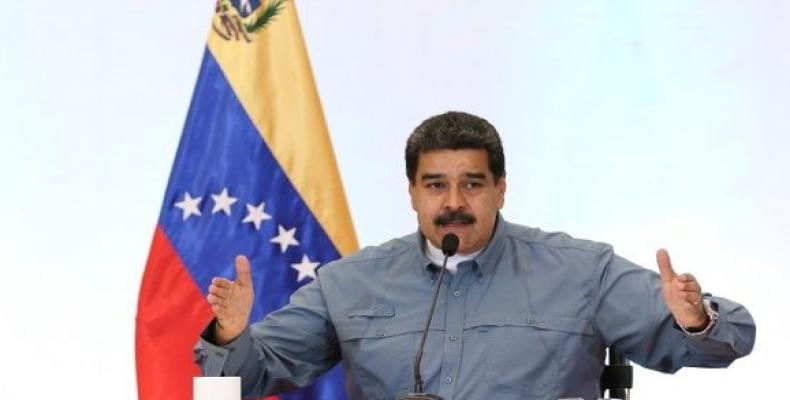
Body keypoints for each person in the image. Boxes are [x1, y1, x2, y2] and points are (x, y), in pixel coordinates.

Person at [195, 111, 755, 400]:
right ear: (412, 192)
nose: (454, 203)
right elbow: (242, 381)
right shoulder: (350, 283)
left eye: (473, 184)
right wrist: (229, 335)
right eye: (436, 185)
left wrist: (696, 319)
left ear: (501, 188)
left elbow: (731, 339)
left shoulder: (581, 271)